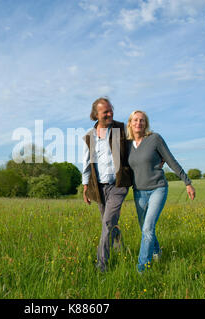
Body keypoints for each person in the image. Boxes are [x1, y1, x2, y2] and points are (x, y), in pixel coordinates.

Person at [126, 110, 196, 273]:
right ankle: (157, 252)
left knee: (148, 228)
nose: (139, 123)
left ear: (146, 123)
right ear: (130, 123)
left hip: (158, 188)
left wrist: (187, 182)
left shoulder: (155, 139)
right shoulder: (127, 145)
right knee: (145, 227)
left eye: (142, 120)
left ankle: (142, 269)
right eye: (135, 120)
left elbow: (170, 160)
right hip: (138, 192)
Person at [82, 97, 132, 272]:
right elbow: (87, 162)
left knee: (107, 223)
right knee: (110, 222)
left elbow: (139, 141)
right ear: (96, 114)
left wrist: (156, 155)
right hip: (99, 187)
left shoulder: (121, 128)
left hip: (118, 184)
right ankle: (119, 245)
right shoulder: (90, 136)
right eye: (106, 112)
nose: (110, 114)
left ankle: (101, 265)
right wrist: (85, 186)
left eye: (111, 110)